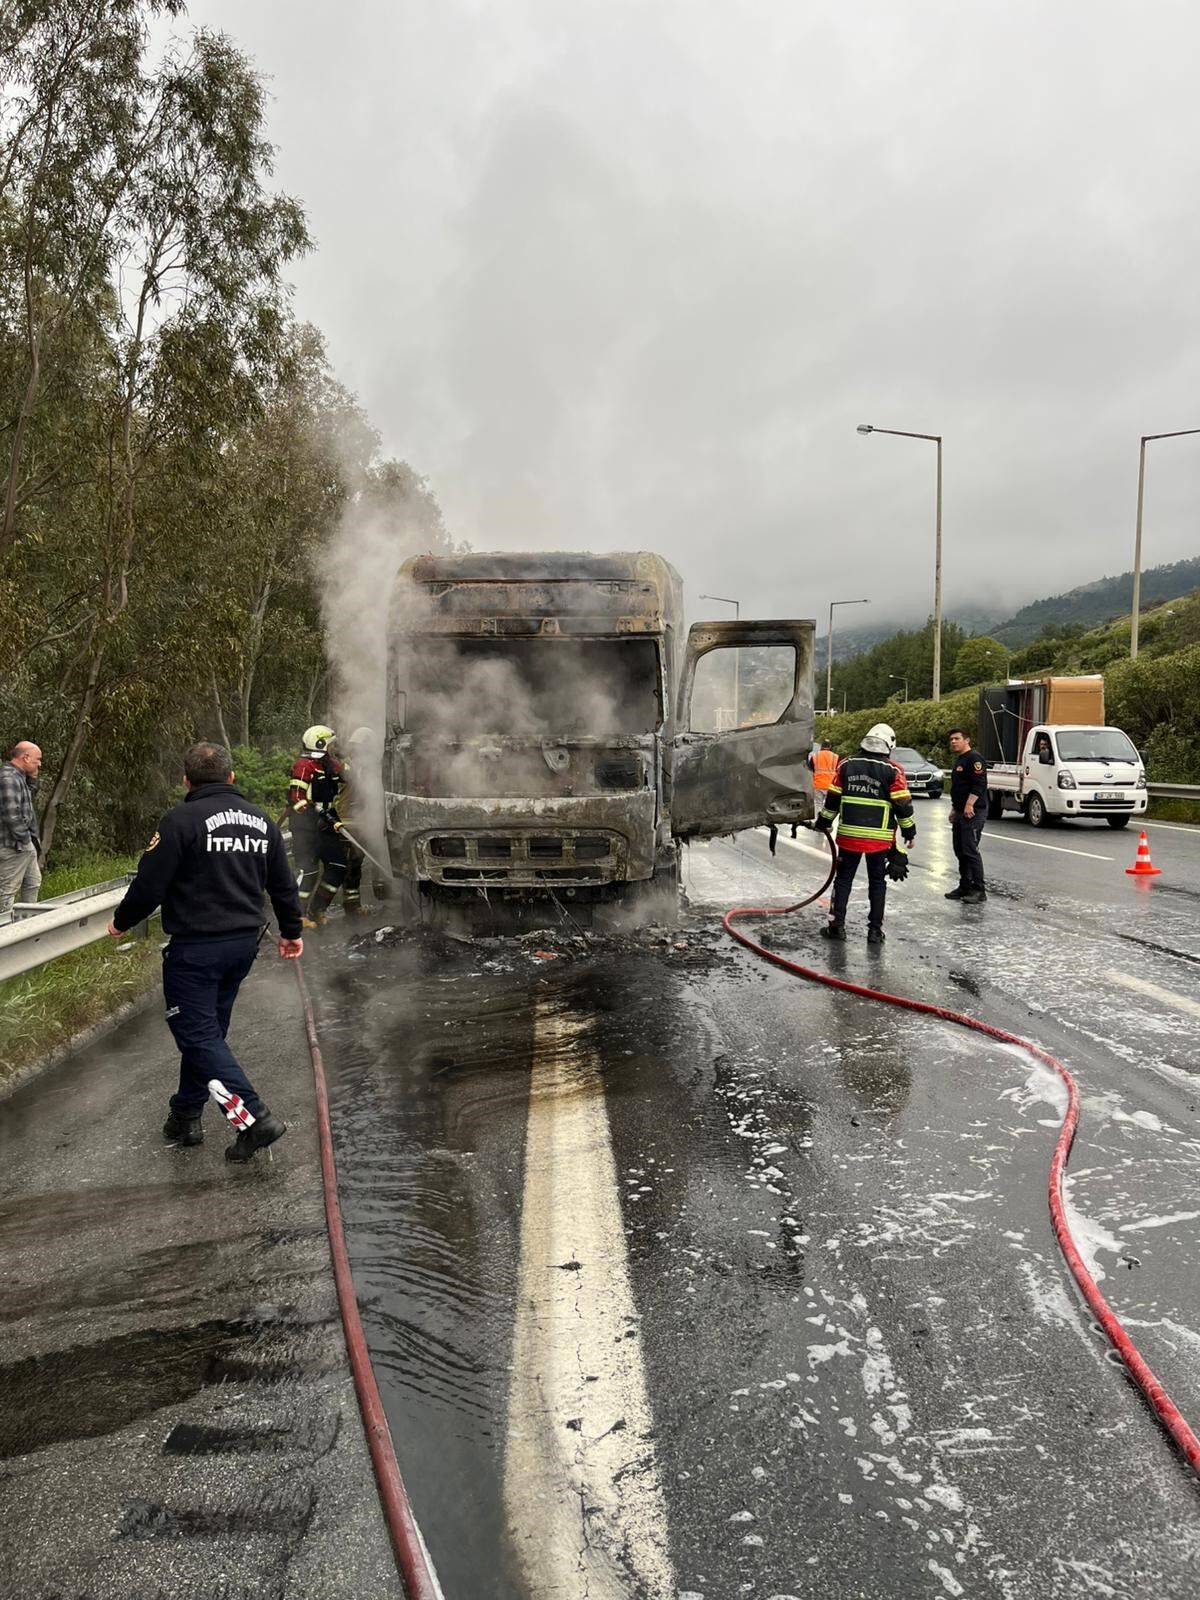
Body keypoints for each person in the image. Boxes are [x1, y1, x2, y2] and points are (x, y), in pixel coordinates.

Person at [106, 742, 303, 1161]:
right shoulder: (261, 821)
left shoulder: (180, 820)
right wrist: (291, 932)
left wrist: (121, 922)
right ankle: (186, 1115)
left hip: (196, 950)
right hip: (242, 947)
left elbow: (149, 885)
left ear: (186, 780)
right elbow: (283, 885)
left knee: (197, 1035)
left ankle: (254, 1118)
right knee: (207, 1035)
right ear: (232, 777)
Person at [815, 722, 916, 945]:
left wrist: (823, 822)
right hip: (878, 841)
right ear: (889, 745)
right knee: (877, 883)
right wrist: (910, 833)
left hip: (849, 836)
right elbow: (903, 806)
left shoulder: (846, 765)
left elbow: (832, 800)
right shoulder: (893, 770)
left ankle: (836, 927)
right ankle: (874, 932)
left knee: (843, 881)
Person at [287, 724, 348, 928]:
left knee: (339, 865)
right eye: (330, 745)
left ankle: (317, 909)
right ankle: (296, 916)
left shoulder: (329, 765)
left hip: (327, 820)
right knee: (309, 871)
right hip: (306, 826)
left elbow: (349, 776)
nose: (333, 749)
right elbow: (296, 798)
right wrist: (316, 814)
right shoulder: (304, 766)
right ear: (321, 745)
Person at [0, 741, 42, 923]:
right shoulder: (8, 778)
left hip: (24, 844)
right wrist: (25, 840)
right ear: (25, 757)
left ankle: (27, 928)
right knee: (7, 891)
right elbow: (11, 814)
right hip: (12, 846)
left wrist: (33, 777)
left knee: (33, 882)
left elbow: (28, 798)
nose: (39, 763)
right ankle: (5, 936)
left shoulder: (18, 776)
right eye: (37, 759)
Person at [946, 727, 988, 904]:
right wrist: (955, 809)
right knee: (960, 849)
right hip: (961, 812)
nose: (953, 742)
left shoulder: (974, 759)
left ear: (967, 740)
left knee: (970, 850)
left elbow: (979, 784)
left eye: (957, 738)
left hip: (973, 811)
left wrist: (970, 804)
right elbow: (958, 788)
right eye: (951, 740)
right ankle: (965, 885)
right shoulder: (960, 760)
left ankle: (979, 890)